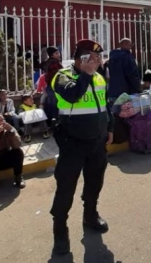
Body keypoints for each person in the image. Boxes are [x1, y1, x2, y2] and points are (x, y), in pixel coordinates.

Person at [49, 39, 113, 256]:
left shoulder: (98, 77)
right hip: (72, 141)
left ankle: (90, 215)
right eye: (92, 58)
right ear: (81, 59)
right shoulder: (63, 76)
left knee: (95, 180)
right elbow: (73, 94)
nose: (97, 62)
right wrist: (85, 73)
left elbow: (105, 104)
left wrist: (109, 127)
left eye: (98, 58)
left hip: (97, 140)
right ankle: (60, 230)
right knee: (66, 186)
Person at [106, 38, 141, 104]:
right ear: (128, 45)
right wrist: (138, 89)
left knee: (114, 111)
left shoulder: (112, 57)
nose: (131, 47)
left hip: (113, 91)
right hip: (126, 92)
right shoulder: (127, 57)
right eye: (130, 45)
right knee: (125, 112)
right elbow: (132, 75)